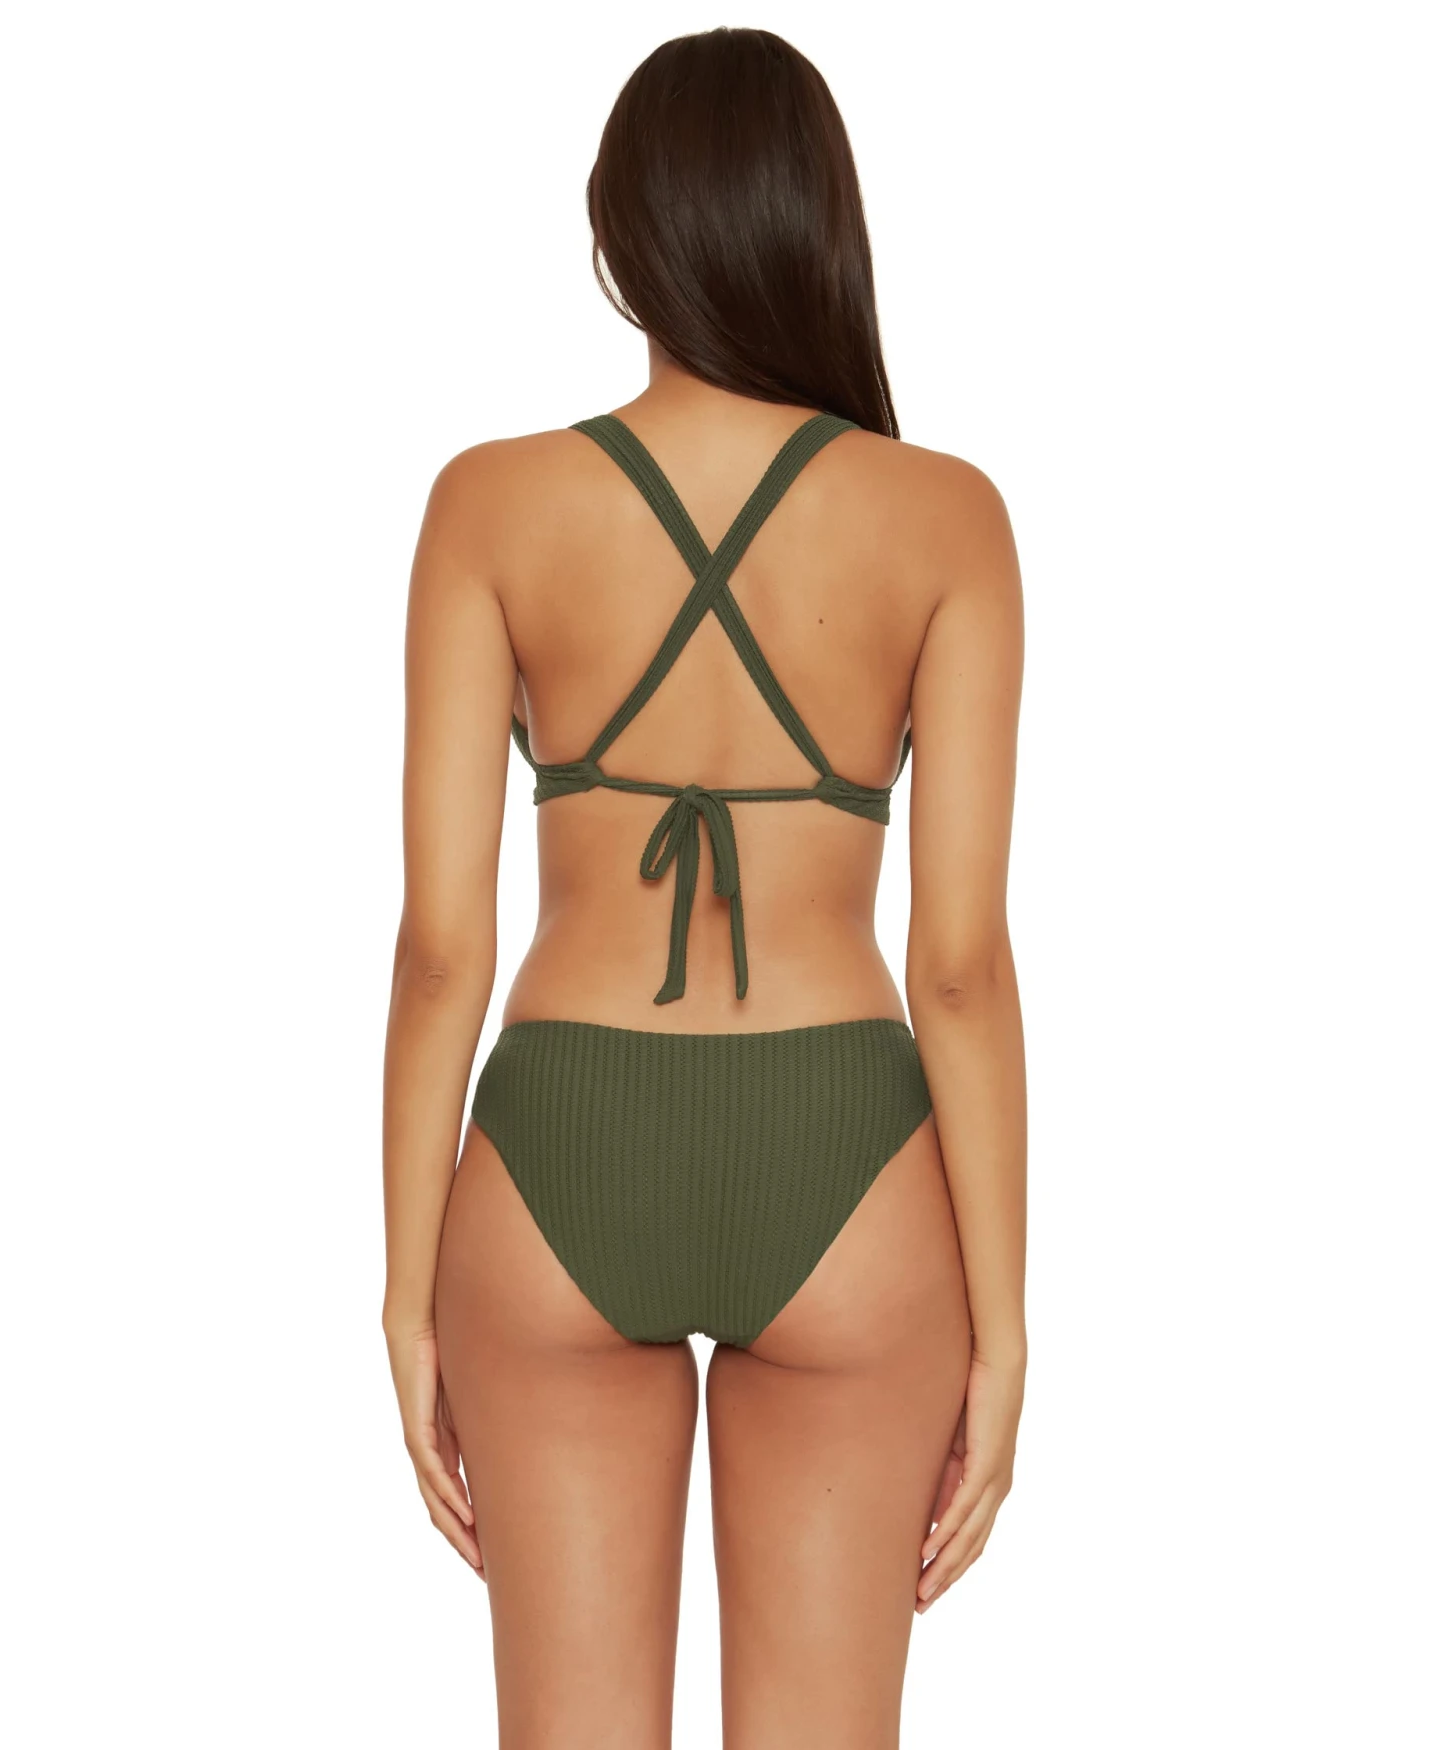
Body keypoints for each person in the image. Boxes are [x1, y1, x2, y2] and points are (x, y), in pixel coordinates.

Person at [382, 26, 1026, 1745]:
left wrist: (403, 1286)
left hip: (557, 1153)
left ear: (621, 236)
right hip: (849, 1161)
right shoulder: (948, 520)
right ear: (821, 228)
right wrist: (1007, 1326)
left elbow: (442, 947)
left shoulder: (489, 504)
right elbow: (960, 965)